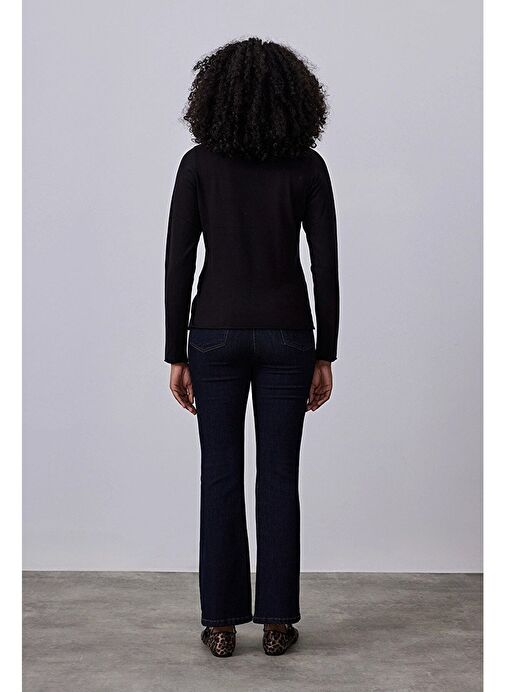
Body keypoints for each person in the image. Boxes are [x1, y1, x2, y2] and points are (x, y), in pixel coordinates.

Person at [164, 37, 339, 657]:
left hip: (212, 335)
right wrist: (325, 353)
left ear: (215, 96)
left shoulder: (198, 165)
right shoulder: (307, 167)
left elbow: (178, 262)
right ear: (296, 99)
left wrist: (176, 352)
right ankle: (277, 621)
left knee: (219, 474)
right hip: (290, 336)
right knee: (280, 477)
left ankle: (220, 622)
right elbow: (325, 267)